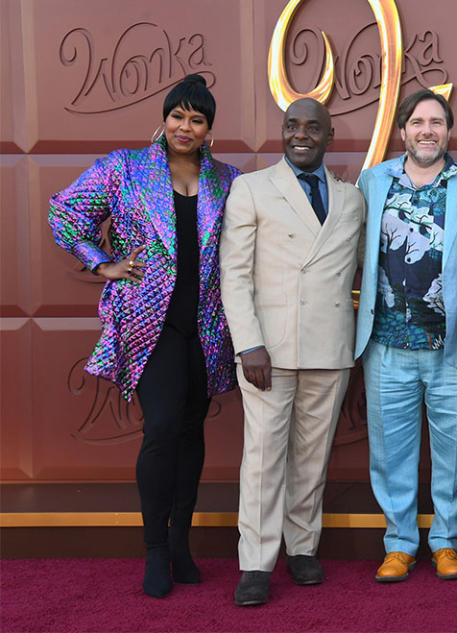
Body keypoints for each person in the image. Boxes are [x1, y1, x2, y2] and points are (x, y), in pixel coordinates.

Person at [48, 74, 240, 598]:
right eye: (177, 116)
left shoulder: (227, 179)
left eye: (196, 120)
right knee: (160, 429)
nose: (185, 126)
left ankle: (181, 543)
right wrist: (102, 263)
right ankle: (155, 549)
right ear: (163, 119)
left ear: (208, 130)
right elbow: (64, 212)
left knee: (191, 432)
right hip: (147, 323)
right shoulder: (125, 169)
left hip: (206, 323)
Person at [219, 98, 365, 606]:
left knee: (311, 458)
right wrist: (249, 344)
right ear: (283, 132)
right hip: (268, 351)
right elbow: (234, 275)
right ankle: (255, 562)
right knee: (262, 459)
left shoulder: (352, 199)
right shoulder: (251, 188)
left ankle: (302, 548)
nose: (300, 134)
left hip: (329, 348)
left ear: (328, 136)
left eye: (312, 127)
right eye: (292, 125)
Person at [355, 89, 457, 582]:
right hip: (386, 345)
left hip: (451, 346)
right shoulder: (373, 181)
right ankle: (398, 543)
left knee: (454, 453)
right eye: (417, 122)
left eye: (436, 122)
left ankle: (445, 542)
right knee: (390, 454)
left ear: (448, 130)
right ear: (402, 131)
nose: (427, 130)